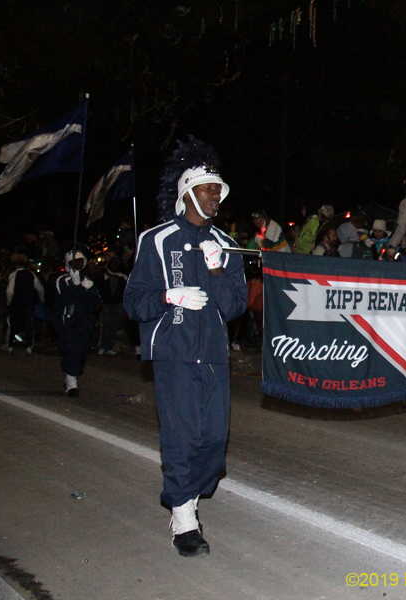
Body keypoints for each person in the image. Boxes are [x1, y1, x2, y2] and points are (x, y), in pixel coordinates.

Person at [124, 137, 248, 557]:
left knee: (213, 441)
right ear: (188, 192)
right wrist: (167, 297)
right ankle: (183, 518)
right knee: (182, 437)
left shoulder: (226, 243)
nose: (218, 196)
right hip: (173, 351)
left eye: (220, 190)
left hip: (213, 353)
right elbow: (133, 301)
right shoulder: (155, 240)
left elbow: (233, 307)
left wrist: (216, 267)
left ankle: (190, 499)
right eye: (211, 188)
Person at [53, 248, 102, 396]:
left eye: (80, 261)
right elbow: (66, 300)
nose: (78, 264)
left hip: (84, 323)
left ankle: (71, 376)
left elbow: (96, 303)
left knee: (80, 354)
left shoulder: (88, 282)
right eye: (74, 262)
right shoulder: (62, 280)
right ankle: (72, 383)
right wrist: (75, 286)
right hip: (67, 323)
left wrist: (82, 288)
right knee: (70, 351)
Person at [4, 251, 44, 354]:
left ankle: (9, 345)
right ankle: (29, 346)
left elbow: (10, 290)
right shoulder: (31, 274)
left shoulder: (13, 274)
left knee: (12, 323)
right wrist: (42, 299)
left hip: (16, 303)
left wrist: (9, 302)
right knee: (28, 324)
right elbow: (40, 288)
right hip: (28, 303)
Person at [95, 255, 128, 355]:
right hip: (105, 304)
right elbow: (98, 289)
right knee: (105, 325)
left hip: (117, 304)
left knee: (114, 325)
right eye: (113, 264)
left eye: (116, 265)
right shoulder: (102, 275)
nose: (114, 266)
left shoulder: (122, 276)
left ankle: (109, 346)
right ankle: (102, 346)